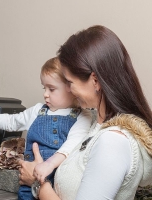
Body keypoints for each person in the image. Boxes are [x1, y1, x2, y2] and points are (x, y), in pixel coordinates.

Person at [29, 25, 152, 200]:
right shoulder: (96, 126)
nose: (69, 91)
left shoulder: (113, 142)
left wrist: (39, 186)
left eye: (70, 82)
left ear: (95, 81)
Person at [0, 57, 93, 199]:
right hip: (28, 185)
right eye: (44, 88)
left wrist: (48, 165)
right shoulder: (37, 111)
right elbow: (11, 121)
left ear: (71, 89)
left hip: (56, 188)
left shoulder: (82, 117)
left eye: (51, 89)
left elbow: (71, 146)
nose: (45, 94)